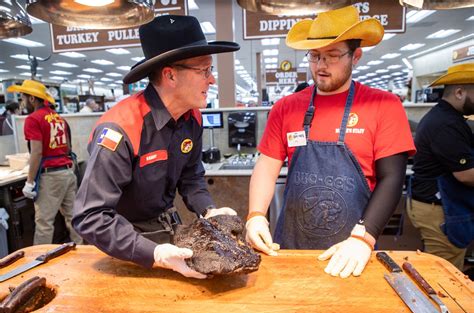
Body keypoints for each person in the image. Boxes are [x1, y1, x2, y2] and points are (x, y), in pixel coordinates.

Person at [245, 5, 415, 278]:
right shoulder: (286, 108)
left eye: (333, 56)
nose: (321, 66)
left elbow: (392, 178)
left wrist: (364, 237)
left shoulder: (384, 105)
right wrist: (255, 215)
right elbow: (267, 166)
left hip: (352, 249)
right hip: (290, 249)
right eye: (315, 56)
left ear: (355, 56)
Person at [72, 15, 240, 279]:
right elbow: (91, 217)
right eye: (204, 71)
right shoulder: (120, 129)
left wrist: (208, 209)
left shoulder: (191, 118)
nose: (212, 80)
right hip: (121, 248)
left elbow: (191, 176)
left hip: (165, 232)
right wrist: (154, 253)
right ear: (170, 75)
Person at [408, 63, 474, 271]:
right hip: (439, 210)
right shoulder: (446, 124)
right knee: (444, 274)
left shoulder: (447, 118)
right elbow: (466, 175)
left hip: (440, 205)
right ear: (460, 92)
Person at [7, 80, 83, 245]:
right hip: (68, 172)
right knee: (73, 218)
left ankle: (39, 263)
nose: (22, 102)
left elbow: (37, 152)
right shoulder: (59, 118)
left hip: (51, 178)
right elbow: (68, 147)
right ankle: (83, 254)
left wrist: (29, 181)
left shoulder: (33, 119)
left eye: (23, 98)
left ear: (32, 99)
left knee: (44, 224)